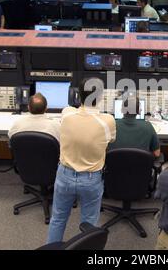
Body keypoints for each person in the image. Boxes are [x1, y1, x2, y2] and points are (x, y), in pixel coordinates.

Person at [47, 78, 116, 244]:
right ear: (100, 97)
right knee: (89, 222)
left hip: (64, 174)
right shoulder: (108, 121)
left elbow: (71, 108)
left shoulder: (67, 113)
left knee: (57, 219)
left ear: (78, 94)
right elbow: (111, 141)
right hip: (91, 179)